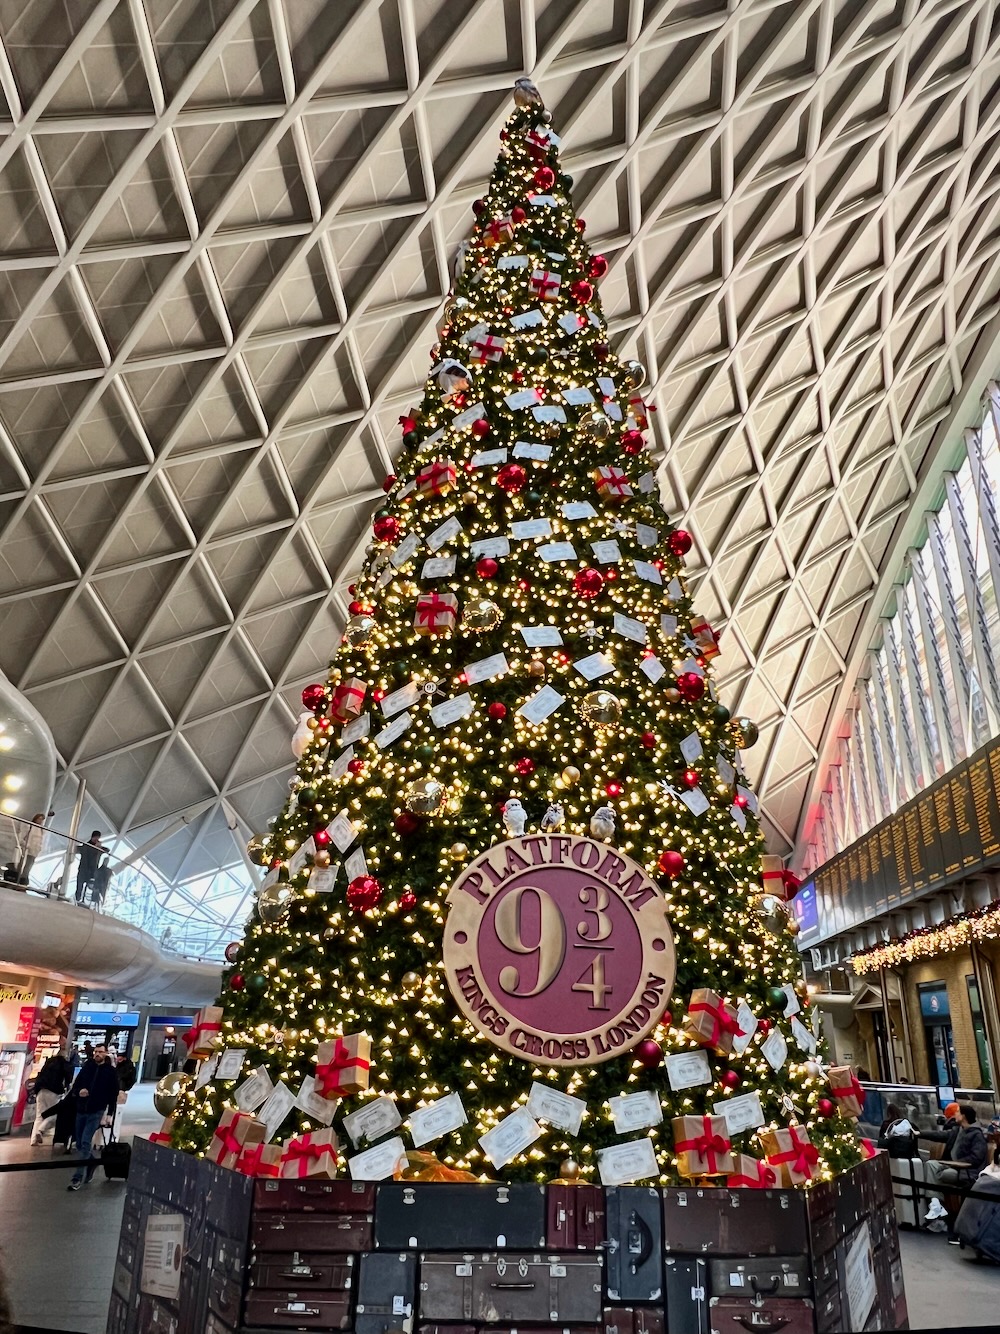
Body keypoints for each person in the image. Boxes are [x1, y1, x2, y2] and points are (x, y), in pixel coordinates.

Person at [923, 1103, 989, 1242]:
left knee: (943, 1175)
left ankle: (940, 1209)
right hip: (951, 1166)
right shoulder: (956, 1130)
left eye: (958, 1112)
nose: (955, 1115)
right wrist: (919, 1134)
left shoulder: (977, 1135)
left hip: (966, 1171)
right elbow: (939, 1135)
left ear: (964, 1116)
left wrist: (957, 1164)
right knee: (930, 1165)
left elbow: (976, 1158)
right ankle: (936, 1204)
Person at [67, 1043, 119, 1190]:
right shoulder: (87, 1068)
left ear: (106, 1054)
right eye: (96, 1051)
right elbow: (75, 1087)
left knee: (85, 1142)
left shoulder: (110, 1072)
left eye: (100, 1052)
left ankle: (77, 1178)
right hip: (81, 1109)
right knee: (78, 1143)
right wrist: (79, 1092)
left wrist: (110, 1114)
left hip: (96, 1110)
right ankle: (92, 1163)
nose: (97, 1054)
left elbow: (113, 1095)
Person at [29, 1044, 73, 1146]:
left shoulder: (49, 1062)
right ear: (66, 1056)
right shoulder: (64, 1064)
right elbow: (68, 1079)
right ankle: (41, 1130)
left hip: (40, 1090)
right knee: (56, 1113)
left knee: (39, 1115)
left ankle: (33, 1140)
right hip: (53, 1091)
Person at [75, 831, 104, 905]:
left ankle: (84, 901)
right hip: (83, 869)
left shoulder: (96, 847)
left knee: (88, 887)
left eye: (98, 838)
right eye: (96, 837)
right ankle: (77, 900)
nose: (96, 839)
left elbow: (106, 851)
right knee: (79, 886)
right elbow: (77, 849)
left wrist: (99, 847)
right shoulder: (86, 846)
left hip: (91, 871)